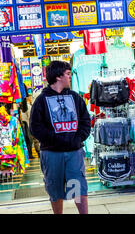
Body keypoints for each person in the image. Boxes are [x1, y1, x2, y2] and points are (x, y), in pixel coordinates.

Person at [30, 61, 91, 214]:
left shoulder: (75, 97)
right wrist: (54, 140)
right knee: (54, 188)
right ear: (58, 77)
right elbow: (35, 127)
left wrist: (78, 138)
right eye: (68, 74)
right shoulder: (41, 100)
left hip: (74, 152)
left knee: (77, 188)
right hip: (51, 153)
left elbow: (85, 121)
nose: (70, 77)